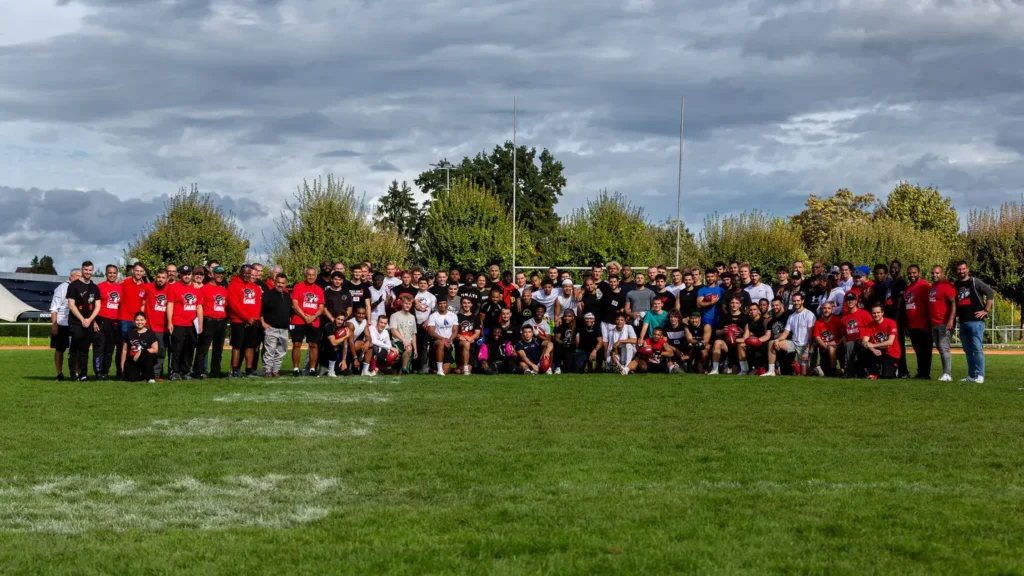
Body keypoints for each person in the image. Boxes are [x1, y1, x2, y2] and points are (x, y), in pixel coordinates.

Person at [953, 261, 994, 383]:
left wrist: (985, 310)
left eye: (963, 269)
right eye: (959, 269)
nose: (961, 271)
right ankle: (972, 375)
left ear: (968, 269)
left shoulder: (975, 282)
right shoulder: (956, 284)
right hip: (963, 322)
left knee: (977, 349)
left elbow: (990, 292)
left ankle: (980, 375)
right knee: (968, 350)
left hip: (976, 321)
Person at [762, 293, 815, 377]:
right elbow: (785, 333)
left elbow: (811, 335)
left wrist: (806, 350)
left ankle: (816, 369)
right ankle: (771, 371)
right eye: (794, 301)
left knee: (803, 374)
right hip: (793, 344)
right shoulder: (791, 316)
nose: (796, 302)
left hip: (805, 346)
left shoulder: (809, 315)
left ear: (802, 301)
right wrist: (777, 340)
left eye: (798, 300)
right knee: (772, 342)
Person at [166, 266, 203, 380]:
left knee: (189, 349)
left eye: (188, 274)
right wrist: (169, 322)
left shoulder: (196, 289)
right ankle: (174, 371)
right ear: (180, 275)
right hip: (178, 322)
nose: (186, 276)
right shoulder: (174, 287)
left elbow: (199, 307)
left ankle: (185, 371)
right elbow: (170, 305)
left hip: (191, 324)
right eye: (184, 274)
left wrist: (200, 324)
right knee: (176, 349)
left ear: (191, 275)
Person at [67, 261, 101, 382]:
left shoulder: (94, 287)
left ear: (93, 271)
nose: (88, 272)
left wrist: (89, 320)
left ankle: (83, 374)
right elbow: (71, 304)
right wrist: (82, 319)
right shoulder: (73, 285)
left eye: (90, 270)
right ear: (82, 270)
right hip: (76, 322)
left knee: (85, 350)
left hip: (89, 323)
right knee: (74, 350)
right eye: (86, 270)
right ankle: (73, 374)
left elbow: (97, 306)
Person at [227, 265, 262, 378]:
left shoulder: (255, 287)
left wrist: (254, 318)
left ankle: (249, 370)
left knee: (250, 346)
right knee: (237, 346)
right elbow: (234, 305)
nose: (247, 275)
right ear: (240, 272)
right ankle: (235, 370)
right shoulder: (233, 285)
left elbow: (257, 305)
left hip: (252, 322)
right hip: (238, 321)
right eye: (245, 273)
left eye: (249, 273)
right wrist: (247, 318)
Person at [290, 267, 325, 377]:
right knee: (297, 344)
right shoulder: (298, 286)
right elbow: (294, 304)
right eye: (309, 275)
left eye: (313, 275)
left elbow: (321, 307)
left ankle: (312, 369)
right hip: (299, 320)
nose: (311, 277)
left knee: (313, 345)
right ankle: (296, 369)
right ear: (305, 275)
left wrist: (313, 316)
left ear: (316, 276)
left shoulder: (319, 289)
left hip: (314, 321)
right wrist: (305, 316)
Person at [49, 268, 82, 381]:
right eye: (77, 276)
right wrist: (54, 324)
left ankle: (76, 373)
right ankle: (59, 374)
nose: (79, 278)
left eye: (80, 276)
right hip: (62, 323)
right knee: (60, 349)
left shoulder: (81, 288)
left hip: (76, 323)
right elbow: (54, 307)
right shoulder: (62, 288)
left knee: (76, 350)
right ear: (71, 277)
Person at [195, 266, 228, 378]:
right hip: (209, 320)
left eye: (222, 273)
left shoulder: (223, 289)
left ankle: (215, 371)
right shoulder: (204, 289)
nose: (220, 275)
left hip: (221, 321)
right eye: (218, 273)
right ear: (212, 274)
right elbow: (199, 306)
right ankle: (198, 371)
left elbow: (225, 306)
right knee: (203, 348)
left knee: (218, 349)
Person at [91, 264, 123, 380]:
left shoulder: (120, 288)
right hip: (101, 321)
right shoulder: (99, 287)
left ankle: (105, 372)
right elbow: (92, 306)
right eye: (110, 273)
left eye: (114, 273)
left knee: (109, 350)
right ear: (106, 273)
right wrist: (93, 322)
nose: (112, 275)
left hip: (114, 323)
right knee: (99, 349)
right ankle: (98, 373)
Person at [903, 265, 933, 380]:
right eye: (910, 273)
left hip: (923, 325)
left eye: (914, 273)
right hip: (912, 325)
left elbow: (930, 306)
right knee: (918, 351)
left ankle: (925, 373)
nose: (912, 275)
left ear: (919, 273)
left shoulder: (925, 286)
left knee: (925, 351)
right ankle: (920, 372)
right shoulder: (908, 289)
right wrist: (906, 325)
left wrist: (928, 323)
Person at [118, 262, 148, 374]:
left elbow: (143, 303)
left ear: (143, 272)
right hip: (125, 319)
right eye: (137, 270)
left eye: (141, 271)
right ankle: (121, 371)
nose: (139, 273)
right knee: (123, 347)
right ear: (133, 271)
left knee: (136, 347)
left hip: (137, 321)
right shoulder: (124, 283)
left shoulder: (145, 286)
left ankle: (135, 371)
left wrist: (141, 318)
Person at [260, 273, 291, 377]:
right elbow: (260, 310)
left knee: (281, 351)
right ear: (274, 282)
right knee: (270, 351)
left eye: (283, 283)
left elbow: (289, 311)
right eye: (278, 282)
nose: (280, 285)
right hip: (271, 328)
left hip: (284, 329)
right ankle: (268, 371)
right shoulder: (268, 294)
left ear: (285, 284)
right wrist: (263, 323)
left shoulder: (287, 296)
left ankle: (276, 370)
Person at [929, 265, 956, 382]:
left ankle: (947, 374)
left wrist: (950, 320)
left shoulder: (947, 286)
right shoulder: (933, 287)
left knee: (944, 348)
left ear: (942, 273)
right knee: (940, 348)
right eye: (933, 273)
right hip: (934, 323)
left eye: (937, 273)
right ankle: (945, 372)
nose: (935, 275)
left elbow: (954, 304)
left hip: (943, 323)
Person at [710, 296, 748, 375]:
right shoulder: (724, 317)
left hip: (738, 345)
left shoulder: (745, 317)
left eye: (736, 303)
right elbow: (716, 332)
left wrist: (741, 332)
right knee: (717, 342)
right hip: (726, 345)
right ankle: (715, 369)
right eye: (732, 303)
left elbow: (748, 334)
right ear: (729, 305)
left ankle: (743, 369)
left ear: (740, 305)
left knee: (734, 372)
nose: (734, 305)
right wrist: (722, 331)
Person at [861, 303, 900, 379]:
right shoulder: (870, 325)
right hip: (877, 352)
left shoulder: (891, 323)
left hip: (891, 353)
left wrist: (873, 345)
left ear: (882, 313)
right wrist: (873, 349)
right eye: (874, 313)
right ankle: (871, 371)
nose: (876, 315)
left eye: (878, 313)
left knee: (887, 376)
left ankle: (894, 369)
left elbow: (890, 342)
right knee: (859, 345)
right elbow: (864, 341)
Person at [839, 292, 873, 378]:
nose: (850, 302)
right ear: (845, 302)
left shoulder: (864, 314)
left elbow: (872, 328)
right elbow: (843, 334)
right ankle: (851, 371)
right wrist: (844, 344)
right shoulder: (844, 318)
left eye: (852, 300)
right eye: (848, 300)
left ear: (856, 301)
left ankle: (865, 371)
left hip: (863, 341)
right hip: (850, 343)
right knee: (848, 345)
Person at [120, 312, 160, 383]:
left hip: (145, 359)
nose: (139, 322)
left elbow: (155, 349)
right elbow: (124, 350)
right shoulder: (129, 332)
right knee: (132, 379)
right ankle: (140, 374)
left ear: (145, 321)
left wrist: (141, 351)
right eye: (137, 320)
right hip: (133, 359)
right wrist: (122, 366)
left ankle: (150, 377)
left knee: (147, 354)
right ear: (134, 321)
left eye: (141, 320)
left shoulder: (150, 333)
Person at [426, 298, 459, 376]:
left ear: (447, 304)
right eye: (440, 303)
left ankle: (431, 370)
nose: (442, 305)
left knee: (446, 372)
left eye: (444, 303)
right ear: (437, 305)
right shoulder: (433, 316)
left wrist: (449, 341)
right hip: (436, 342)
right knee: (441, 343)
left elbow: (455, 331)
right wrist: (443, 340)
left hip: (448, 344)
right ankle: (439, 370)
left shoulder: (453, 315)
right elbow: (431, 332)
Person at [888, 260, 909, 377]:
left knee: (899, 345)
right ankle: (895, 368)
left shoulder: (901, 282)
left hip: (898, 320)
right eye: (891, 268)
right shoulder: (891, 283)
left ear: (900, 268)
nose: (893, 270)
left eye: (895, 268)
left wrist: (896, 319)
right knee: (893, 346)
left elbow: (900, 302)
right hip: (891, 319)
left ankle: (903, 370)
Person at [413, 276, 437, 373]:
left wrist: (428, 321)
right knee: (415, 345)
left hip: (425, 324)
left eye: (425, 283)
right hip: (414, 323)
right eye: (421, 283)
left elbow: (434, 311)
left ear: (428, 284)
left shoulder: (431, 297)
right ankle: (414, 367)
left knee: (423, 346)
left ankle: (423, 366)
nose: (423, 285)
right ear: (418, 284)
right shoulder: (414, 294)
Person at [812, 301, 843, 376]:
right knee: (827, 373)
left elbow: (843, 336)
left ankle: (834, 371)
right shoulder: (818, 323)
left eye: (829, 308)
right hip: (824, 349)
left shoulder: (837, 321)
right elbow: (817, 338)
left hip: (837, 349)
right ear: (821, 310)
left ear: (832, 310)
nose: (826, 310)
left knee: (832, 349)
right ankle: (836, 371)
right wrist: (827, 346)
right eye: (824, 308)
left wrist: (838, 343)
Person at [389, 295, 417, 374]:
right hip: (397, 343)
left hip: (408, 345)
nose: (408, 305)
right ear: (401, 303)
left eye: (409, 304)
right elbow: (393, 330)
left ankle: (404, 368)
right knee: (394, 372)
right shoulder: (394, 316)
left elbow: (413, 334)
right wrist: (403, 340)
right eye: (406, 303)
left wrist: (415, 349)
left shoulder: (412, 317)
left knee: (408, 348)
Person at [455, 296, 482, 375]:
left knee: (461, 372)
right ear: (461, 304)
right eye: (464, 303)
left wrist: (470, 338)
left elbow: (477, 333)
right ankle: (465, 368)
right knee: (466, 343)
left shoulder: (476, 318)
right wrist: (462, 337)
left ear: (471, 304)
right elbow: (454, 332)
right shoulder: (456, 317)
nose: (466, 305)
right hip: (460, 343)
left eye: (468, 303)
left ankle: (462, 369)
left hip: (472, 345)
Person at [744, 303, 771, 375]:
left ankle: (765, 368)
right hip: (753, 344)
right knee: (741, 346)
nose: (752, 311)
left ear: (758, 310)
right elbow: (745, 339)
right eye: (751, 310)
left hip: (764, 343)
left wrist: (755, 340)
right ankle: (749, 369)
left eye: (754, 309)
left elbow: (767, 336)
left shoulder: (765, 321)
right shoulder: (748, 324)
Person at [553, 309, 576, 374]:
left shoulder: (577, 323)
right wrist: (565, 343)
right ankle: (558, 366)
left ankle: (565, 367)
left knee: (568, 370)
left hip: (572, 347)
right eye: (565, 316)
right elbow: (556, 339)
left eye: (569, 316)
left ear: (573, 317)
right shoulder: (560, 323)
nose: (567, 318)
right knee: (557, 346)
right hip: (562, 345)